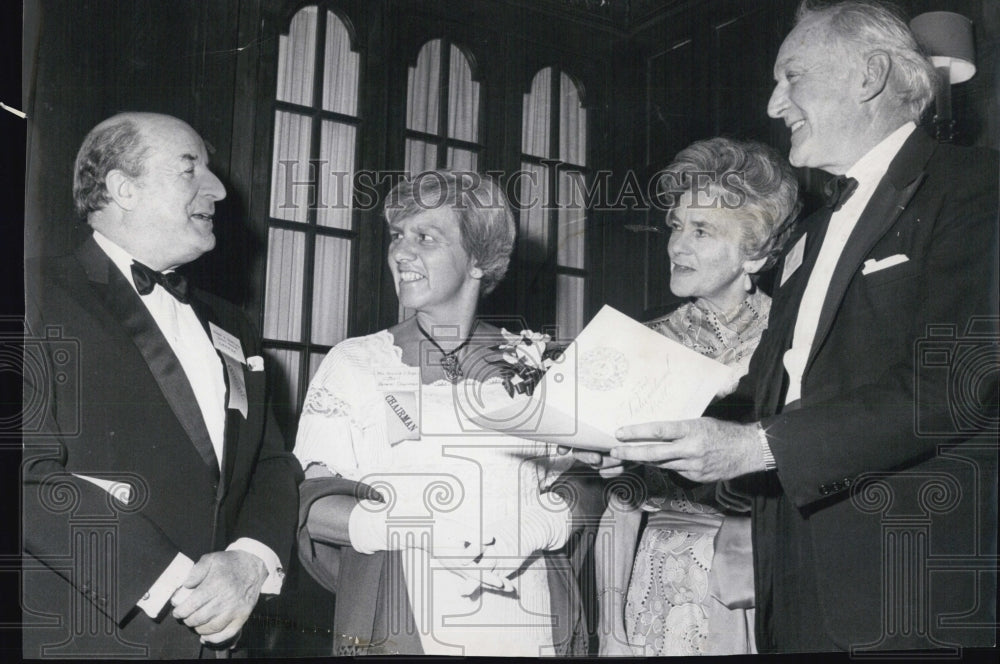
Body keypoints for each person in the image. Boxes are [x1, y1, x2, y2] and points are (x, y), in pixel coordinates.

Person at [609, 0, 998, 653]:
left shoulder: (976, 187)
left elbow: (958, 380)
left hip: (910, 584)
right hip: (791, 581)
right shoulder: (814, 234)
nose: (772, 103)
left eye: (792, 78)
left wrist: (763, 448)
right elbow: (771, 406)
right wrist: (629, 437)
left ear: (869, 75)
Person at [22, 112, 302, 659]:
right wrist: (180, 585)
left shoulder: (234, 326)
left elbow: (270, 463)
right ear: (123, 188)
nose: (219, 189)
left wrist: (250, 560)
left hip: (221, 643)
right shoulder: (31, 293)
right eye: (189, 168)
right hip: (86, 638)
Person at [293, 170, 597, 656]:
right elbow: (311, 505)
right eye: (397, 236)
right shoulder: (356, 362)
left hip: (528, 617)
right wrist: (423, 531)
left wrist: (539, 525)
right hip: (403, 615)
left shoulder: (541, 362)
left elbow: (588, 483)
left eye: (425, 238)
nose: (400, 252)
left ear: (478, 259)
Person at [592, 137, 799, 656]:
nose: (677, 245)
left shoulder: (798, 341)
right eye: (677, 225)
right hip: (667, 580)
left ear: (758, 251)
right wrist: (611, 630)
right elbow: (620, 502)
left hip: (778, 573)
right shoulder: (643, 345)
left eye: (701, 230)